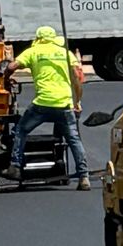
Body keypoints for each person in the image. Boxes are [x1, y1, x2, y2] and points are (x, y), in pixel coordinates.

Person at [9, 24, 89, 190]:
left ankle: (15, 166)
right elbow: (77, 77)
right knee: (74, 139)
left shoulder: (33, 52)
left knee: (21, 130)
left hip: (42, 104)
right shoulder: (66, 53)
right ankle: (84, 177)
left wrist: (5, 77)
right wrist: (77, 102)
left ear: (38, 38)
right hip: (64, 104)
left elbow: (11, 67)